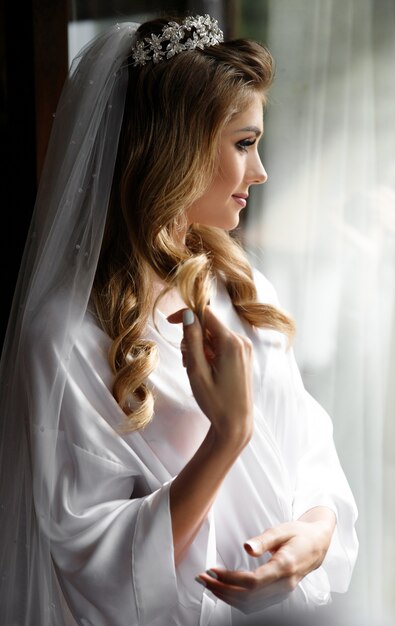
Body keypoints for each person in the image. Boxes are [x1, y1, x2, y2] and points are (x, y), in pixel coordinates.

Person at [0, 13, 359, 626]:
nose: (260, 172)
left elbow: (309, 447)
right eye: (243, 144)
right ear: (176, 149)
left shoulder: (240, 286)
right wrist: (228, 436)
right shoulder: (66, 338)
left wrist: (317, 532)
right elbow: (95, 567)